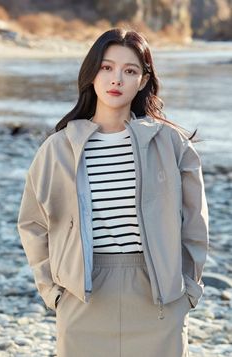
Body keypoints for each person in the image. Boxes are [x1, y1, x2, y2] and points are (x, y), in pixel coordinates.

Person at [17, 28, 209, 357]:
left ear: (144, 80)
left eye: (129, 70)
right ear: (91, 73)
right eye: (106, 68)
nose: (116, 79)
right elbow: (33, 223)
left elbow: (195, 224)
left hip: (158, 297)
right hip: (83, 296)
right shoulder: (58, 148)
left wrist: (188, 290)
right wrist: (54, 292)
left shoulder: (172, 145)